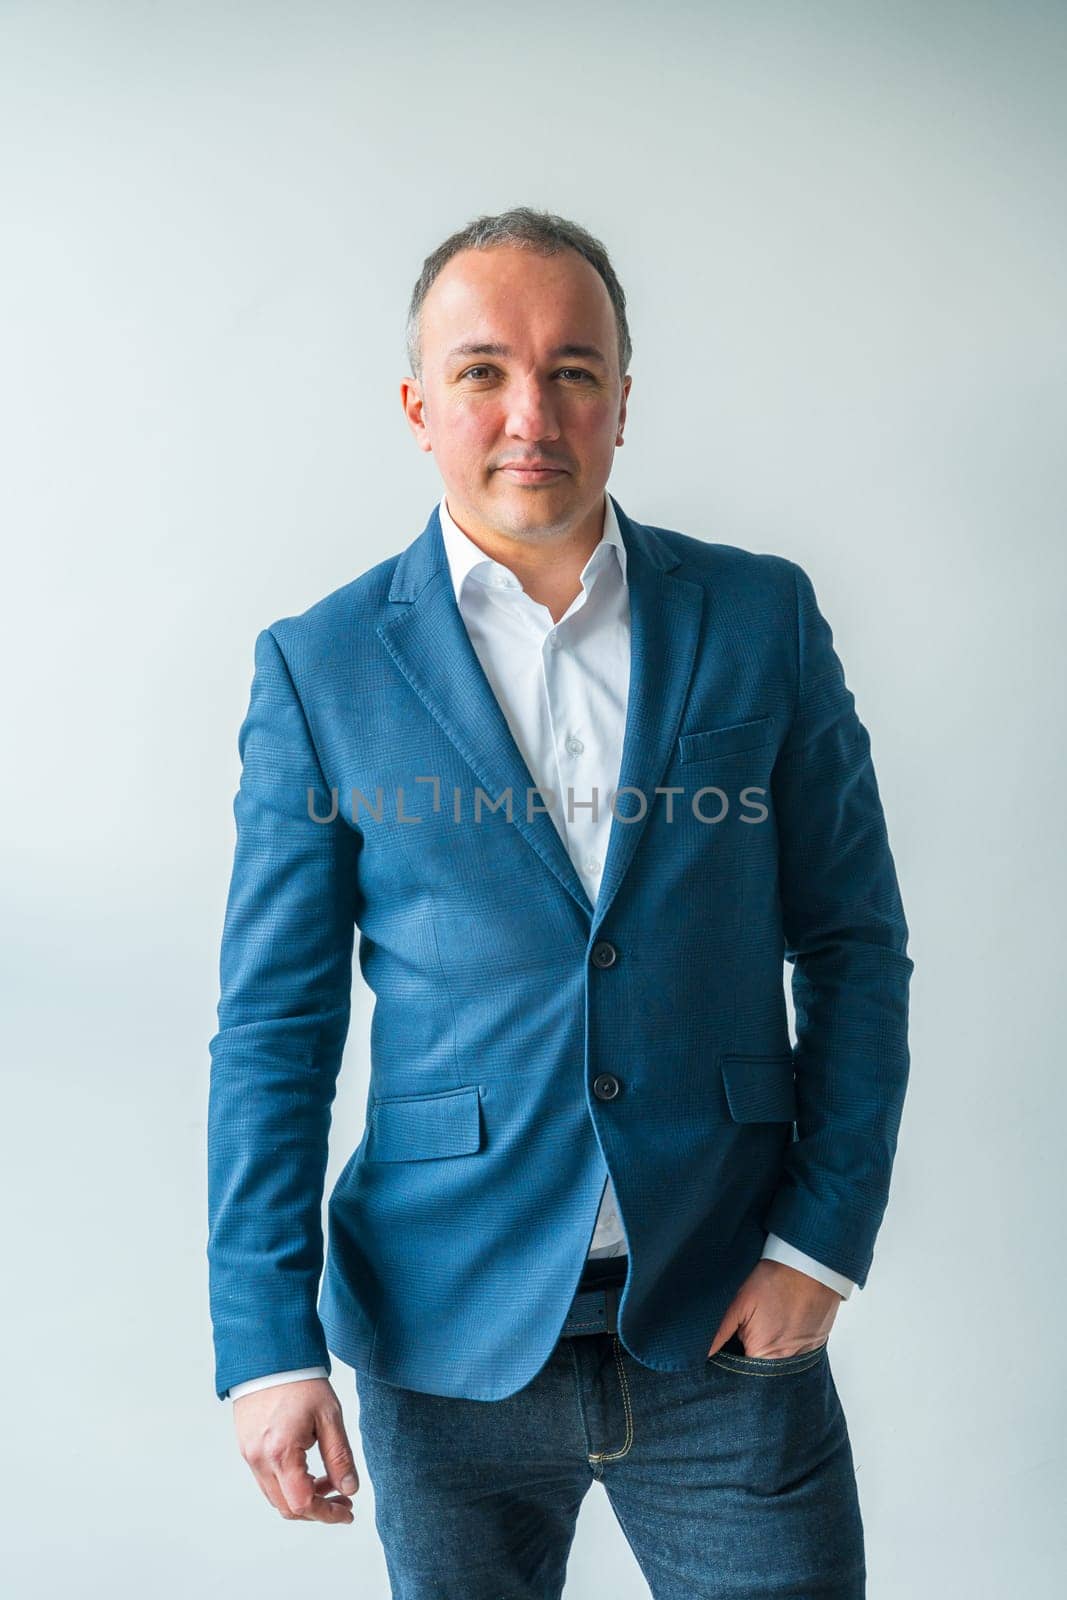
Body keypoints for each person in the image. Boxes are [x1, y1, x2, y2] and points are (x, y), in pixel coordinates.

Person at [207, 206, 912, 1597]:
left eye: (573, 369)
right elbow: (274, 1035)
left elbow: (853, 946)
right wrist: (266, 1345)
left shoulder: (758, 620)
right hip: (441, 1340)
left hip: (725, 1321)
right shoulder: (322, 666)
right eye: (483, 370)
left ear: (623, 402)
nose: (531, 410)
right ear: (419, 406)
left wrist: (819, 1242)